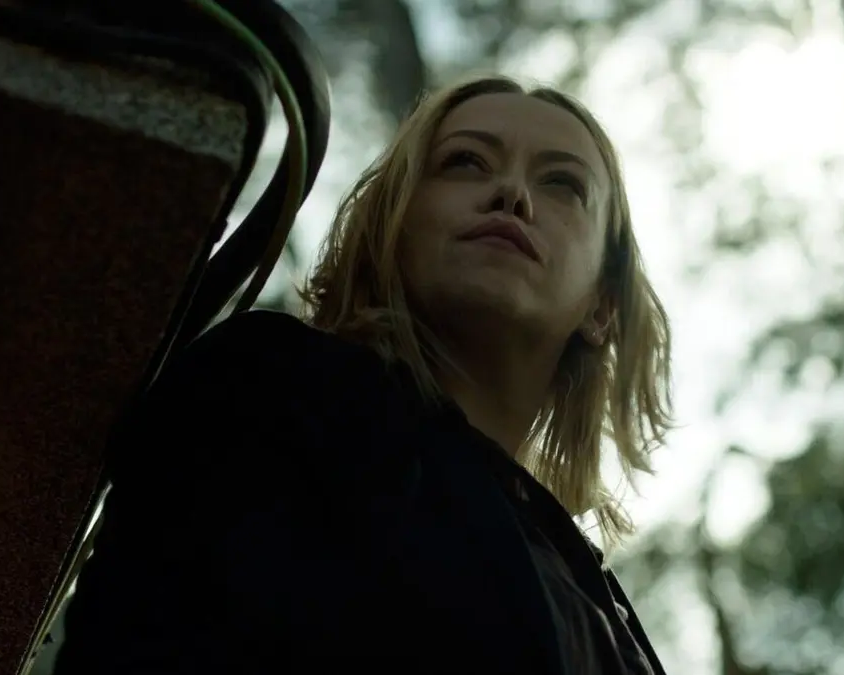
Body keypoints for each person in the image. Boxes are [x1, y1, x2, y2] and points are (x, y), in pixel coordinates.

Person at [53, 74, 673, 675]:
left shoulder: (604, 604)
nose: (512, 193)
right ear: (391, 227)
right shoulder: (273, 386)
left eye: (563, 183)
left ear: (602, 306)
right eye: (465, 162)